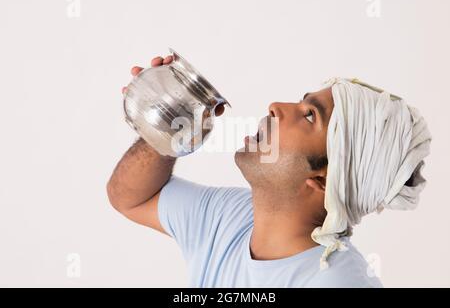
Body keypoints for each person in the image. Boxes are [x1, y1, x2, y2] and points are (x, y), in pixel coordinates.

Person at [107, 54, 431, 287]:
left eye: (309, 117)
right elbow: (131, 198)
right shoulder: (230, 216)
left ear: (323, 178)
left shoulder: (338, 282)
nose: (276, 106)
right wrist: (165, 128)